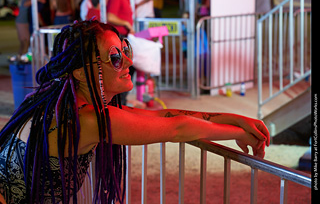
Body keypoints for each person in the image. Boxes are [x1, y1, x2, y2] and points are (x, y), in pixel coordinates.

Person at [0, 20, 269, 204]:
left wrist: (238, 119)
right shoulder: (86, 119)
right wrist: (237, 131)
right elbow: (177, 128)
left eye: (125, 49)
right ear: (81, 72)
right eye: (115, 57)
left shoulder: (66, 102)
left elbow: (167, 116)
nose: (128, 60)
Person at [107, 0, 135, 105]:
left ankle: (121, 101)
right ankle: (119, 102)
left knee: (127, 68)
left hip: (122, 37)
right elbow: (110, 17)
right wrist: (126, 23)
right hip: (117, 37)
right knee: (124, 69)